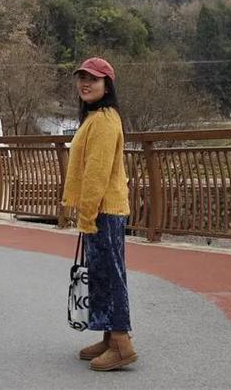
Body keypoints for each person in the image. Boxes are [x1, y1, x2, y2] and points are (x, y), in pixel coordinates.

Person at [61, 56, 137, 371]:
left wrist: (87, 214)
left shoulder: (105, 120)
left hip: (104, 210)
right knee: (102, 274)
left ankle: (121, 342)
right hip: (102, 209)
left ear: (107, 85)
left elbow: (97, 174)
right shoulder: (96, 117)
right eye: (82, 78)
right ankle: (109, 337)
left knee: (110, 275)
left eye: (93, 78)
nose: (85, 83)